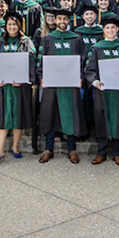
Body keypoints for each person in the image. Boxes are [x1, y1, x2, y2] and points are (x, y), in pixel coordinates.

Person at [85, 14, 119, 166]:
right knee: (102, 118)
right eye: (108, 27)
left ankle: (117, 153)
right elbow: (89, 68)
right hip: (103, 90)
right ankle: (101, 152)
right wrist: (95, 82)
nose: (111, 30)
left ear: (118, 29)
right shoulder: (96, 48)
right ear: (104, 30)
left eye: (113, 27)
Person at [36, 11, 85, 164]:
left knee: (71, 114)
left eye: (65, 18)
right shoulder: (48, 39)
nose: (62, 21)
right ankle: (48, 149)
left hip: (70, 84)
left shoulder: (76, 38)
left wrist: (80, 77)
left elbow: (82, 60)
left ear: (69, 20)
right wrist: (41, 77)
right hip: (52, 82)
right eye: (59, 18)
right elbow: (40, 59)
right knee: (50, 113)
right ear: (55, 20)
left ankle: (72, 149)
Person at [0, 14, 36, 165]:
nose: (12, 27)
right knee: (2, 117)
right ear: (5, 26)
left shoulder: (26, 41)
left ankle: (15, 147)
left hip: (19, 86)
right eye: (9, 24)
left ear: (19, 26)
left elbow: (31, 61)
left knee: (18, 115)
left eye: (15, 24)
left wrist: (25, 79)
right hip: (2, 87)